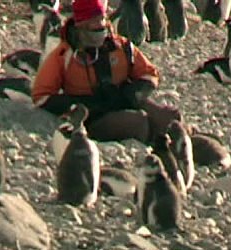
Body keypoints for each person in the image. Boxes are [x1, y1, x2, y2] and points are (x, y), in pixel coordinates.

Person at [31, 0, 180, 143]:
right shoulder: (64, 55)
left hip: (122, 99)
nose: (100, 24)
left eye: (101, 19)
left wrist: (133, 92)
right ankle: (160, 145)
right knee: (138, 122)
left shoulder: (121, 46)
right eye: (94, 21)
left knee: (170, 118)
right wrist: (83, 104)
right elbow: (41, 95)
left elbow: (149, 73)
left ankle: (176, 142)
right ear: (81, 24)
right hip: (94, 116)